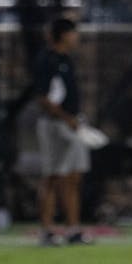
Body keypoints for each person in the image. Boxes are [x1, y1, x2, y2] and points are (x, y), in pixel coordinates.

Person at [34, 16, 92, 247]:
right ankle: (47, 230)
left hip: (71, 125)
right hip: (55, 126)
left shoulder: (66, 60)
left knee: (73, 177)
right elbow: (43, 98)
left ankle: (73, 228)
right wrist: (66, 118)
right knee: (52, 176)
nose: (76, 38)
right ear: (64, 35)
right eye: (73, 33)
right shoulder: (47, 60)